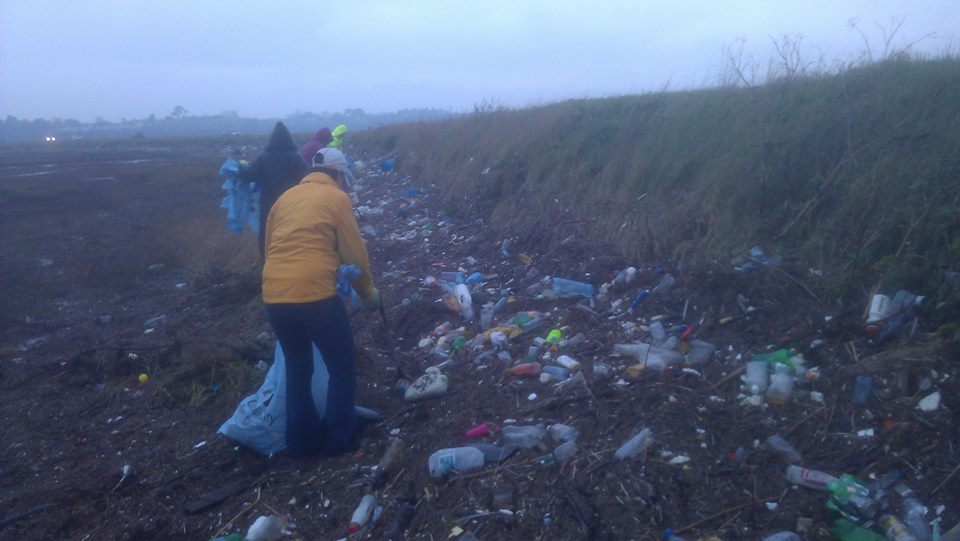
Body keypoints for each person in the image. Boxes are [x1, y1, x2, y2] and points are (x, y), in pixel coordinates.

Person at [262, 148, 380, 456]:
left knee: (298, 369)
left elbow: (270, 247)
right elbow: (355, 254)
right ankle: (339, 441)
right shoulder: (337, 199)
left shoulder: (284, 198)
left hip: (274, 295)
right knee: (341, 366)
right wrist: (368, 292)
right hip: (315, 295)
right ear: (339, 175)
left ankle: (301, 443)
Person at [240, 122, 308, 256]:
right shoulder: (298, 159)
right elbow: (307, 180)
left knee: (268, 237)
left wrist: (240, 167)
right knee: (293, 235)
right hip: (294, 205)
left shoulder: (264, 158)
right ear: (289, 140)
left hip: (269, 205)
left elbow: (249, 175)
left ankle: (268, 266)